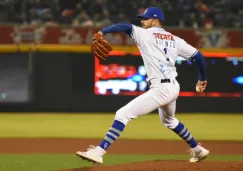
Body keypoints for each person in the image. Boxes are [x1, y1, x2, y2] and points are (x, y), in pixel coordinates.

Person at [76, 7, 209, 164]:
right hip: (173, 87)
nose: (142, 21)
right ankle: (198, 150)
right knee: (169, 121)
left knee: (122, 114)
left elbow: (125, 26)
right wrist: (202, 78)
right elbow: (199, 56)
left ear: (155, 20)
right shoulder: (175, 40)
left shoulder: (144, 34)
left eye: (145, 18)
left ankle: (99, 152)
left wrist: (102, 32)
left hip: (161, 89)